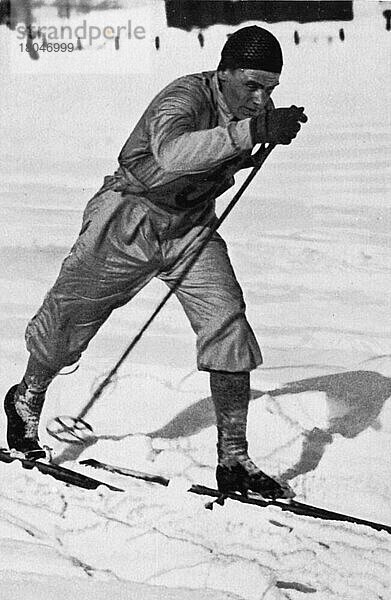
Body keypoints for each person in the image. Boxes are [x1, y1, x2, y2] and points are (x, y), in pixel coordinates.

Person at [4, 26, 307, 499]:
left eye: (270, 89)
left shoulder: (255, 110)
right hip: (130, 219)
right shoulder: (182, 97)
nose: (261, 98)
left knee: (228, 326)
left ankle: (234, 459)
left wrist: (255, 143)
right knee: (69, 322)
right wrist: (252, 132)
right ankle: (26, 400)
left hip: (189, 228)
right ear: (223, 73)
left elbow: (222, 150)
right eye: (251, 84)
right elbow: (171, 152)